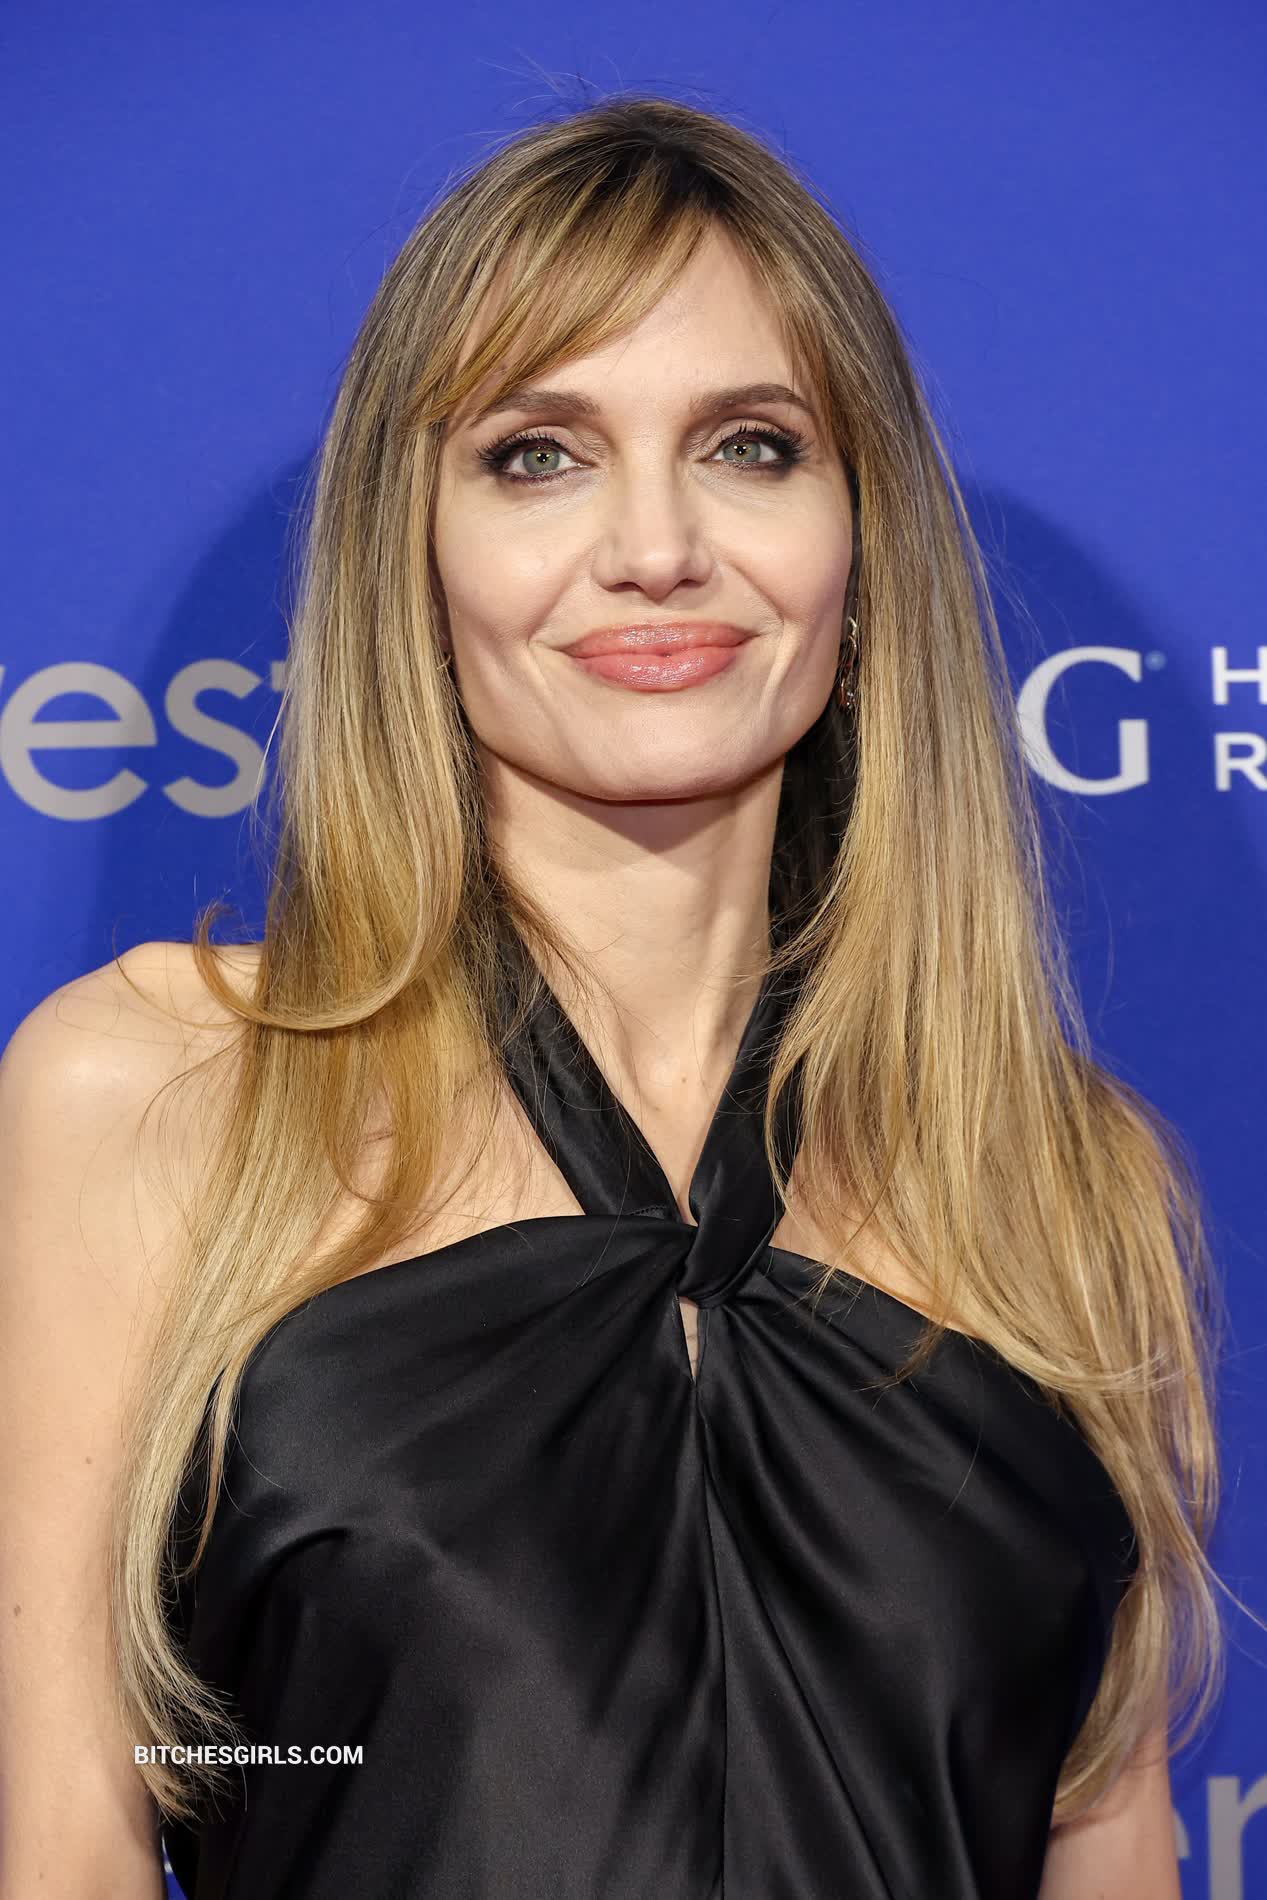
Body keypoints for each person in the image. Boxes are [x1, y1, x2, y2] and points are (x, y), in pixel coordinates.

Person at [0, 94, 1226, 1900]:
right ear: (412, 554)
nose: (658, 545)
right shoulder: (155, 1100)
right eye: (538, 455)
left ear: (861, 539)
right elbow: (71, 1851)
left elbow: (1103, 1850)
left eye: (751, 445)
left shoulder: (1065, 1182)